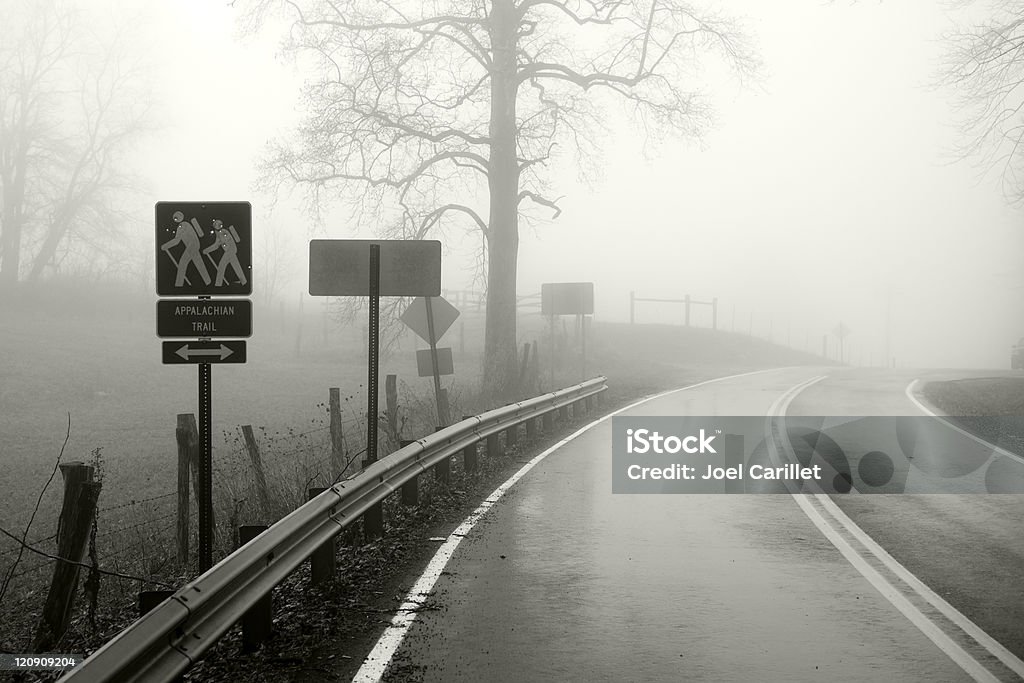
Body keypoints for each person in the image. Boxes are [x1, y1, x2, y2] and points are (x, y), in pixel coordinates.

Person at [160, 211, 211, 287]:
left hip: (192, 245)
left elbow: (176, 241)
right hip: (194, 245)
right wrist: (166, 246)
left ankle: (179, 284)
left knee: (182, 263)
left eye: (176, 217)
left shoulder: (183, 225)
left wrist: (165, 246)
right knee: (199, 263)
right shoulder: (184, 225)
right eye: (175, 218)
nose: (176, 219)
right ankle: (208, 281)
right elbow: (177, 240)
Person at [202, 218, 248, 287]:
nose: (215, 226)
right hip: (230, 251)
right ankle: (244, 282)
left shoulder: (223, 232)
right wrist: (207, 250)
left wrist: (207, 250)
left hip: (230, 250)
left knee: (221, 265)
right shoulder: (219, 234)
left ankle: (218, 284)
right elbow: (216, 245)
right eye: (214, 225)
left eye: (216, 225)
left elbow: (219, 243)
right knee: (236, 266)